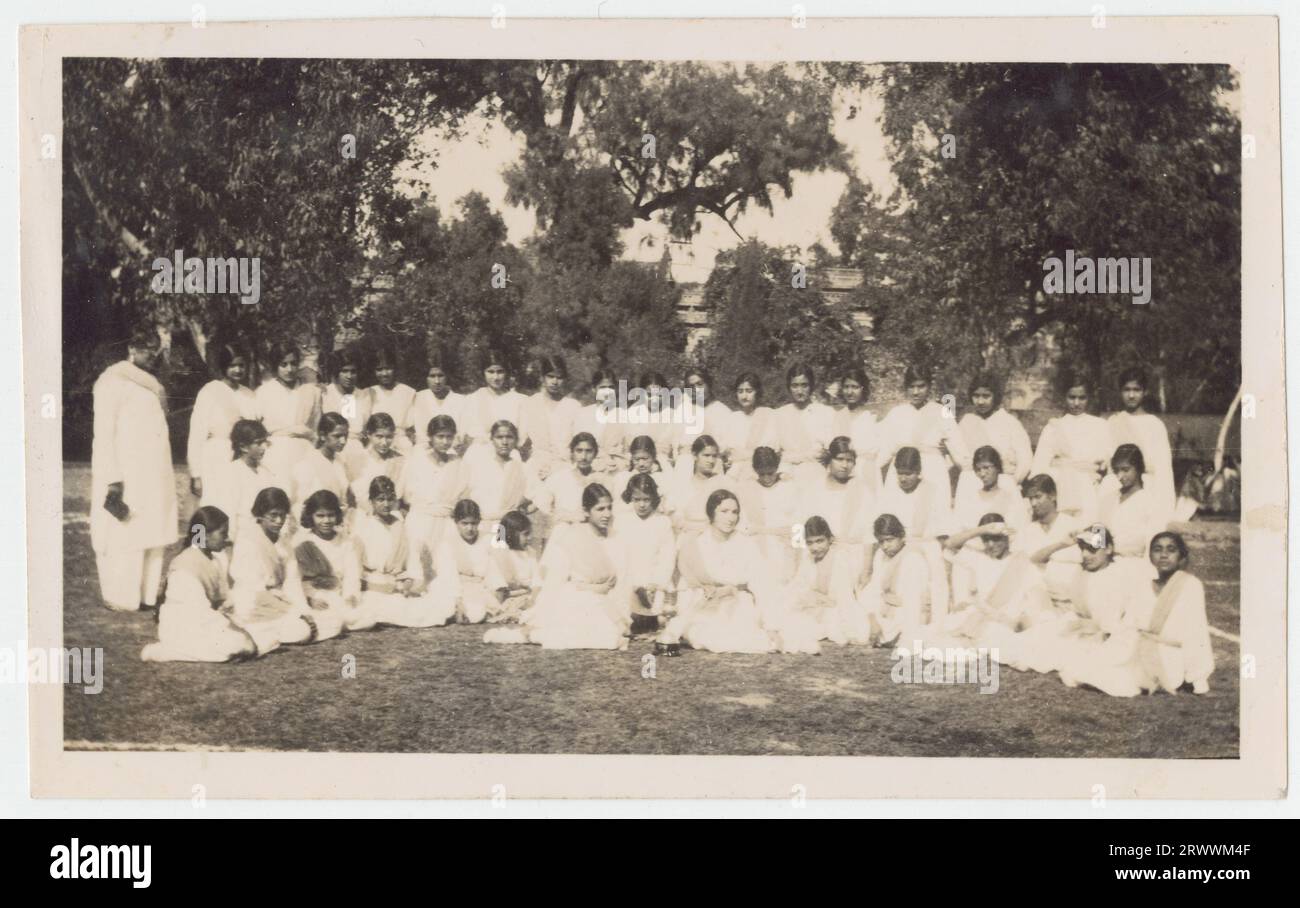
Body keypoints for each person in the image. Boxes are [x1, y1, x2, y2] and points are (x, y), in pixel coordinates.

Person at [90, 325, 178, 612]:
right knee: (126, 530)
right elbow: (104, 433)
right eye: (147, 348)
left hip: (154, 471)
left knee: (152, 530)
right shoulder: (112, 380)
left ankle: (146, 596)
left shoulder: (152, 385)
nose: (152, 355)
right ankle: (121, 596)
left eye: (156, 349)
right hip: (126, 471)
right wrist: (113, 478)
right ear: (132, 349)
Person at [488, 483, 631, 650]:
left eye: (609, 508)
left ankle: (537, 635)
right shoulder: (572, 536)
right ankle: (529, 635)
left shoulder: (617, 538)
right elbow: (556, 582)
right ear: (586, 511)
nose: (606, 514)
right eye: (600, 509)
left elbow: (624, 580)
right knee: (605, 638)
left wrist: (624, 615)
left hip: (609, 601)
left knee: (615, 632)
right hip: (580, 599)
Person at [658, 489, 778, 654]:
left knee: (747, 636)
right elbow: (689, 587)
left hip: (738, 603)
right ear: (711, 513)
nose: (730, 517)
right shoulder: (697, 544)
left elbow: (762, 584)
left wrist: (770, 624)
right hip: (705, 605)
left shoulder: (746, 544)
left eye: (735, 512)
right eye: (724, 511)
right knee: (707, 636)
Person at [142, 506, 258, 662]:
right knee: (236, 644)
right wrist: (238, 630)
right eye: (222, 533)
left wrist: (235, 620)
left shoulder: (216, 561)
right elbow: (200, 613)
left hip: (207, 622)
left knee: (255, 634)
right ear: (203, 534)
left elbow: (223, 599)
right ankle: (162, 651)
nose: (227, 538)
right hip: (183, 626)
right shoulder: (185, 564)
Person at [1053, 527, 1155, 697]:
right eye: (1083, 549)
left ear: (1108, 549)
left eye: (1092, 549)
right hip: (1089, 632)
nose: (1085, 555)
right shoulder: (1083, 573)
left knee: (1083, 667)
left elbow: (1123, 618)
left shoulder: (1120, 574)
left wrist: (1100, 629)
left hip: (1117, 635)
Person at [228, 487, 330, 647]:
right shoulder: (247, 541)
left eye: (282, 515)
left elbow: (293, 581)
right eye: (273, 515)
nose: (279, 521)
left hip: (280, 601)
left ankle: (266, 633)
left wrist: (304, 611)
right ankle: (253, 631)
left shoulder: (284, 542)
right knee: (301, 630)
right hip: (254, 602)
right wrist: (295, 613)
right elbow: (255, 589)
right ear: (260, 515)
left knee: (329, 622)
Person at [353, 476, 456, 628]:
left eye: (390, 499)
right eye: (380, 499)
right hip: (373, 587)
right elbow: (355, 569)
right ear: (371, 501)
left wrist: (407, 585)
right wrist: (380, 587)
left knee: (438, 609)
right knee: (382, 611)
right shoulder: (363, 527)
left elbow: (412, 564)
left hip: (398, 585)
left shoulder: (400, 525)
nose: (386, 504)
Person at [872, 447, 952, 620]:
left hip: (927, 547)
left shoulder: (933, 491)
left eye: (908, 473)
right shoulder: (891, 494)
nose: (903, 478)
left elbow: (944, 532)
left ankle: (928, 622)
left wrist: (945, 562)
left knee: (931, 587)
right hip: (897, 547)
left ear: (918, 471)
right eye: (900, 473)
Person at [1030, 370, 1112, 524]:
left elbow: (1109, 461)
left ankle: (1098, 547)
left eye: (1082, 398)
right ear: (1064, 397)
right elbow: (1039, 466)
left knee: (1095, 531)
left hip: (1091, 488)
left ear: (1089, 398)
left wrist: (1101, 469)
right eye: (1072, 397)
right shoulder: (1054, 427)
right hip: (1061, 488)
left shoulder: (1100, 426)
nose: (1076, 403)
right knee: (1064, 534)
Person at [1137, 532, 1215, 694]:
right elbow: (1130, 625)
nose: (1164, 555)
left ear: (1181, 556)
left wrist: (1198, 679)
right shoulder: (1143, 584)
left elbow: (1197, 632)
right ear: (1150, 556)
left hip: (1169, 657)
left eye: (1171, 550)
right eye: (1157, 549)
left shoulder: (1191, 585)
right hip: (1138, 651)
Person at [779, 516, 872, 649]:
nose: (815, 547)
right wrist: (812, 597)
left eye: (819, 541)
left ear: (830, 539)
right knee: (788, 613)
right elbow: (798, 587)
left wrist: (817, 598)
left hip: (838, 610)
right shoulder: (808, 559)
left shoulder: (840, 558)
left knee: (848, 627)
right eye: (810, 543)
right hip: (816, 609)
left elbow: (844, 597)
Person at [291, 490, 375, 633]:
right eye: (320, 516)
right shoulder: (302, 542)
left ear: (337, 515)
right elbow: (297, 580)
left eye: (330, 515)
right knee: (333, 620)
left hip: (340, 593)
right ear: (311, 516)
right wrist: (311, 598)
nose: (326, 521)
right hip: (317, 596)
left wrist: (351, 595)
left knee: (368, 618)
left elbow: (352, 574)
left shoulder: (345, 540)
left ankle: (339, 621)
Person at [877, 364, 969, 496]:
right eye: (912, 387)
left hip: (931, 471)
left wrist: (967, 469)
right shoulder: (897, 413)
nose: (916, 392)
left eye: (921, 386)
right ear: (906, 388)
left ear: (929, 387)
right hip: (901, 473)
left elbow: (959, 450)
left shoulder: (942, 411)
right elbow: (884, 450)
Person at [186, 343, 258, 502]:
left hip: (242, 457)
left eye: (241, 365)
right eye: (232, 365)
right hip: (216, 457)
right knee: (213, 505)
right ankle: (199, 529)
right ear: (224, 366)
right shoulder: (210, 391)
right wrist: (196, 474)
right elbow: (197, 435)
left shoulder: (249, 395)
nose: (238, 370)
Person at [398, 414, 467, 568]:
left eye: (449, 437)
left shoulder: (457, 463)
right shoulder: (417, 460)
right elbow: (402, 493)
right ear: (430, 437)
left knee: (444, 566)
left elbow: (463, 494)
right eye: (440, 436)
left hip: (446, 524)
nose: (445, 442)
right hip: (419, 521)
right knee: (416, 566)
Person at [1107, 367, 1176, 519]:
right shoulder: (1113, 422)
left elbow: (1164, 469)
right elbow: (1108, 462)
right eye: (1126, 390)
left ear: (1144, 392)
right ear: (1120, 392)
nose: (1131, 395)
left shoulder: (1154, 424)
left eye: (1136, 390)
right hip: (1117, 487)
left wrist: (1165, 505)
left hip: (1148, 489)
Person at [612, 473, 676, 634]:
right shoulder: (622, 521)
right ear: (630, 498)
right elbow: (618, 555)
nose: (642, 505)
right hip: (629, 579)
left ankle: (653, 617)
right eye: (637, 499)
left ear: (653, 498)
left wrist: (656, 583)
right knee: (623, 612)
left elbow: (667, 557)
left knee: (657, 613)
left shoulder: (662, 522)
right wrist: (632, 583)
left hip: (653, 581)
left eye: (646, 499)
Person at [858, 514, 932, 646]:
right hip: (882, 607)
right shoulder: (881, 555)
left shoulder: (913, 557)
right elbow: (873, 590)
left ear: (902, 536)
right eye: (881, 541)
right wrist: (872, 619)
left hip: (906, 612)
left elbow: (913, 601)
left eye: (889, 540)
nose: (885, 546)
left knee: (912, 634)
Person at [956, 372, 1033, 499]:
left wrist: (1011, 482)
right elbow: (957, 455)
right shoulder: (966, 422)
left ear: (995, 396)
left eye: (986, 396)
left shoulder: (1010, 422)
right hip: (972, 484)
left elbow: (1025, 459)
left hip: (1003, 484)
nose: (980, 401)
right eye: (976, 396)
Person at [205, 418, 281, 543]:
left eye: (265, 442)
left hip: (265, 535)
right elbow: (228, 511)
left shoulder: (266, 472)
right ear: (243, 447)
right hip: (241, 538)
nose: (264, 447)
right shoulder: (231, 472)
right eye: (259, 443)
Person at [734, 446, 801, 585]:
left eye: (770, 473)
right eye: (761, 474)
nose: (766, 478)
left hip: (785, 546)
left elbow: (799, 520)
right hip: (757, 545)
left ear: (777, 467)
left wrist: (796, 548)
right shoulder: (746, 488)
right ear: (755, 470)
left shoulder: (789, 486)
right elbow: (743, 524)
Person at [255, 343, 322, 481]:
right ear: (275, 366)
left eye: (293, 363)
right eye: (283, 364)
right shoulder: (263, 392)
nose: (289, 369)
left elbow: (316, 425)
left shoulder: (312, 391)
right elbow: (255, 428)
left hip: (304, 450)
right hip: (274, 451)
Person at [802, 437, 875, 556]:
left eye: (849, 460)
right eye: (839, 459)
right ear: (829, 460)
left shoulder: (863, 490)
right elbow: (799, 526)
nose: (845, 465)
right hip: (819, 555)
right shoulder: (814, 489)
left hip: (854, 554)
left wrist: (867, 570)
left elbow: (870, 534)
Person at [1098, 443, 1169, 564]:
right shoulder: (1108, 499)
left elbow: (1153, 543)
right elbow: (1097, 535)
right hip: (1105, 564)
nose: (1120, 476)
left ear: (1139, 468)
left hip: (1133, 565)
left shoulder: (1150, 502)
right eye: (1117, 471)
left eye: (1126, 470)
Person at [429, 498, 496, 625]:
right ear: (456, 522)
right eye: (464, 523)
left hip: (477, 589)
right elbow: (449, 576)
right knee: (441, 605)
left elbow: (493, 572)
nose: (470, 528)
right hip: (452, 587)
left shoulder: (486, 540)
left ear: (479, 522)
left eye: (474, 523)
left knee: (476, 612)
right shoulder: (447, 543)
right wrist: (458, 602)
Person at [951, 445, 1030, 546]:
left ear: (997, 467)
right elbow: (959, 531)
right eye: (978, 470)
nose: (982, 474)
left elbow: (1020, 529)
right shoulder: (971, 499)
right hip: (975, 548)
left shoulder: (1010, 497)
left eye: (986, 468)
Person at [519, 354, 582, 482]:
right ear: (542, 377)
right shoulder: (530, 403)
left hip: (564, 464)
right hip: (537, 463)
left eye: (559, 377)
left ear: (565, 379)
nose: (554, 382)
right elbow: (520, 440)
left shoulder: (573, 406)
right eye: (550, 376)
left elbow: (578, 442)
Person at [462, 419, 535, 526]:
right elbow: (464, 495)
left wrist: (524, 511)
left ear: (515, 440)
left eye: (509, 437)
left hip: (510, 525)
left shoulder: (522, 468)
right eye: (499, 437)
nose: (504, 442)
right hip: (483, 524)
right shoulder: (479, 465)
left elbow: (540, 496)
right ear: (491, 439)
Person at [773, 362, 834, 485]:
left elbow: (830, 448)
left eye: (804, 385)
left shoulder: (825, 412)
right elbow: (774, 450)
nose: (799, 391)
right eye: (795, 386)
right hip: (787, 472)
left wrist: (825, 455)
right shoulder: (779, 414)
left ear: (811, 386)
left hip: (816, 472)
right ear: (789, 387)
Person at [535, 432, 601, 540]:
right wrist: (565, 517)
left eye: (588, 451)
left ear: (595, 453)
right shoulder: (559, 478)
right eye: (579, 451)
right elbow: (543, 507)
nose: (584, 457)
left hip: (592, 536)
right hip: (564, 534)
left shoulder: (601, 480)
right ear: (572, 453)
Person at [321, 346, 373, 477]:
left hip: (357, 453)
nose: (349, 376)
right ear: (336, 372)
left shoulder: (364, 395)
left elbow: (366, 429)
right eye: (344, 371)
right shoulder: (326, 393)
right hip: (332, 451)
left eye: (353, 371)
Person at [463, 350, 527, 454]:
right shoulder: (472, 399)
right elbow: (467, 435)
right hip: (480, 455)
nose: (496, 377)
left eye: (500, 372)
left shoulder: (520, 400)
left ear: (506, 373)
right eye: (491, 372)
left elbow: (522, 436)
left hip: (510, 454)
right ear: (483, 372)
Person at [485, 510, 542, 625]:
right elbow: (498, 584)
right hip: (507, 597)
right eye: (525, 534)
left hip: (528, 596)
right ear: (512, 533)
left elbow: (537, 582)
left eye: (530, 534)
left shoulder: (530, 553)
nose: (530, 538)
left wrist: (533, 600)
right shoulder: (500, 553)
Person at [668, 434, 731, 536]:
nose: (711, 461)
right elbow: (676, 516)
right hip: (688, 535)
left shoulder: (722, 483)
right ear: (694, 455)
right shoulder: (683, 485)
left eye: (714, 456)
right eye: (706, 455)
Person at [829, 366, 880, 492]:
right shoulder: (837, 416)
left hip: (866, 470)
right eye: (846, 387)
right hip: (842, 470)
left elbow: (881, 449)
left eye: (855, 387)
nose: (850, 392)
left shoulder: (872, 416)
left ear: (863, 389)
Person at [291, 412, 352, 516]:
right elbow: (300, 504)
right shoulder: (307, 465)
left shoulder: (340, 463)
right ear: (322, 435)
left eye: (345, 436)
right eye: (337, 436)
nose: (343, 441)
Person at [569, 368, 627, 474]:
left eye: (611, 388)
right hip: (589, 465)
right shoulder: (583, 414)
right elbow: (578, 446)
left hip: (617, 467)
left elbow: (628, 449)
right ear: (594, 389)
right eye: (602, 388)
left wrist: (618, 464)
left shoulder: (624, 415)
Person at [722, 372, 777, 481]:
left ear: (757, 392)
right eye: (740, 391)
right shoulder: (732, 418)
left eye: (749, 391)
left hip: (761, 473)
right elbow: (726, 450)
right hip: (735, 473)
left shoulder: (768, 414)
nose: (744, 396)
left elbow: (773, 448)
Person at [671, 367, 732, 465]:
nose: (696, 389)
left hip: (713, 463)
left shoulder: (723, 411)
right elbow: (675, 442)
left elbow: (726, 447)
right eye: (691, 387)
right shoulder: (682, 410)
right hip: (686, 462)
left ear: (709, 385)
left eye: (700, 384)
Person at [409, 355, 467, 455]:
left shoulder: (460, 400)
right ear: (426, 378)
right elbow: (413, 430)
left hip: (452, 449)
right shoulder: (418, 398)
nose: (437, 381)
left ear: (447, 376)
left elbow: (462, 432)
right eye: (432, 376)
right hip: (424, 450)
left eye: (440, 376)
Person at [348, 413, 405, 513]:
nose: (384, 442)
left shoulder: (400, 460)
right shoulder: (358, 459)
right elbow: (354, 495)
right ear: (369, 434)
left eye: (389, 437)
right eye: (379, 436)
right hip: (363, 515)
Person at [368, 349, 417, 455]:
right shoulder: (368, 393)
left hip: (401, 443)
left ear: (395, 368)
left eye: (388, 368)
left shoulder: (408, 391)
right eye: (379, 369)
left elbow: (411, 427)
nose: (384, 373)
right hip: (375, 444)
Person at [615, 435, 670, 516]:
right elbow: (619, 505)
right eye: (636, 459)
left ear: (653, 457)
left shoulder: (662, 478)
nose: (641, 464)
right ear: (632, 458)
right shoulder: (623, 478)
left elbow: (667, 506)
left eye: (645, 459)